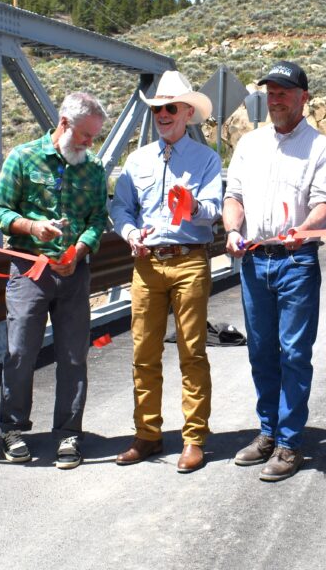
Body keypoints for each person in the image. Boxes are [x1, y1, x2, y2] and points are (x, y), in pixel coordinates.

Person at [223, 61, 326, 482]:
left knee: (293, 353)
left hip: (295, 261)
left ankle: (289, 443)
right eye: (270, 91)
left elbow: (325, 203)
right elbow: (233, 196)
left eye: (284, 91)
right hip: (254, 259)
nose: (275, 98)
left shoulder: (321, 148)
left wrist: (305, 230)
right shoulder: (250, 145)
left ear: (303, 97)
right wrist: (232, 229)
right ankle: (267, 432)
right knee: (261, 351)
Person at [109, 70, 222, 473]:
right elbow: (120, 206)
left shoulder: (207, 159)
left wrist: (193, 207)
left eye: (170, 107)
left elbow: (215, 210)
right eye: (157, 108)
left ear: (187, 112)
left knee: (192, 352)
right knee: (143, 352)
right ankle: (147, 434)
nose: (162, 114)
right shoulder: (137, 161)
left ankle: (194, 439)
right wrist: (128, 231)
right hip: (147, 262)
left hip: (189, 258)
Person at [0, 92, 109, 468]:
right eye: (86, 136)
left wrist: (80, 251)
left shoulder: (93, 169)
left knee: (74, 356)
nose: (90, 144)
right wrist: (32, 226)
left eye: (95, 138)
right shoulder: (23, 158)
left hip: (74, 274)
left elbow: (97, 221)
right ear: (63, 123)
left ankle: (69, 434)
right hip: (30, 271)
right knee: (20, 352)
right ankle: (12, 429)